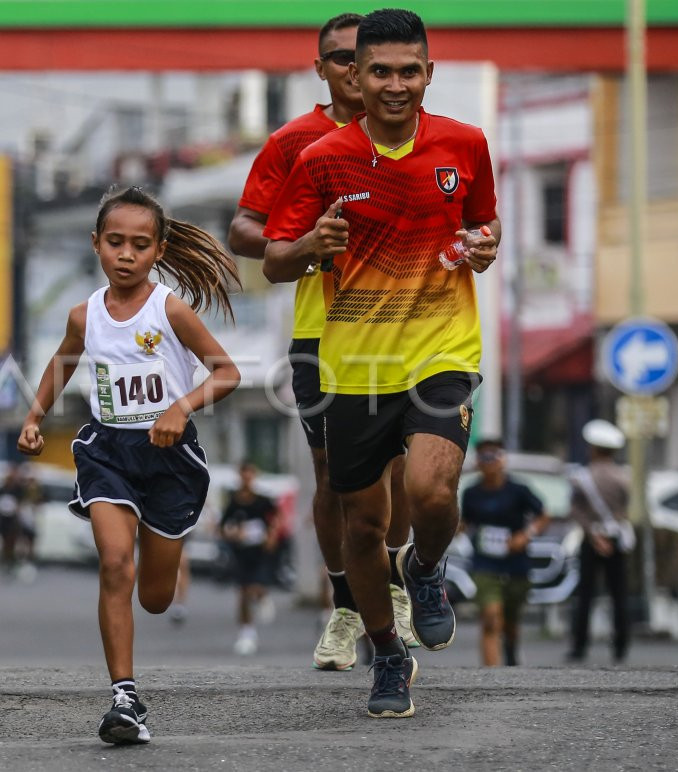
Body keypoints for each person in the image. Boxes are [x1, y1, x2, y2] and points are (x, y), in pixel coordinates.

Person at [264, 8, 501, 718]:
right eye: (380, 72)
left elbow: (482, 223)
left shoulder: (465, 143)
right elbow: (274, 260)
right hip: (355, 368)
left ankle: (424, 567)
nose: (395, 85)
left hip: (441, 348)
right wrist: (312, 246)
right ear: (356, 78)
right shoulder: (320, 158)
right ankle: (389, 654)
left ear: (428, 73)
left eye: (409, 71)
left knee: (430, 491)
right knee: (363, 527)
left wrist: (484, 246)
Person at [17, 186, 241, 745]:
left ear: (159, 251)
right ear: (96, 243)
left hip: (169, 457)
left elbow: (227, 372)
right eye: (115, 242)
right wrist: (34, 415)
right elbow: (61, 363)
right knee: (116, 564)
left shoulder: (170, 309)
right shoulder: (84, 315)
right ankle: (124, 696)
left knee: (155, 598)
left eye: (140, 245)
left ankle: (160, 560)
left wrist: (179, 408)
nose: (126, 254)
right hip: (107, 451)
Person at [227, 11, 416, 672]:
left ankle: (397, 584)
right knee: (333, 475)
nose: (355, 71)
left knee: (403, 470)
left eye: (365, 60)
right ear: (323, 69)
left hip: (406, 326)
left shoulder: (419, 135)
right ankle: (345, 603)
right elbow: (243, 229)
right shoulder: (295, 143)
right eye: (341, 59)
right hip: (322, 330)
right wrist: (305, 244)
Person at [460, 439, 550, 667]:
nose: (488, 462)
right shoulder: (471, 493)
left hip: (516, 564)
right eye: (483, 457)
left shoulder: (518, 490)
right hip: (484, 564)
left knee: (510, 621)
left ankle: (510, 648)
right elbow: (464, 523)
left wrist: (525, 535)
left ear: (502, 459)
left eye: (493, 455)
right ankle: (492, 674)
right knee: (491, 618)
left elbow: (543, 516)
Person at [567, 419, 632, 664]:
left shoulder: (582, 477)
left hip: (590, 539)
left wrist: (594, 535)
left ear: (593, 448)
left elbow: (575, 509)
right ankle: (621, 646)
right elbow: (625, 507)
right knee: (619, 594)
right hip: (616, 539)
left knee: (585, 594)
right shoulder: (622, 477)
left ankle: (579, 646)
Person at [220, 461, 279, 656]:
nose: (246, 478)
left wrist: (272, 536)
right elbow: (223, 526)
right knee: (243, 591)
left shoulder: (262, 500)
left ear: (254, 475)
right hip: (241, 551)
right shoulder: (233, 501)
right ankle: (247, 632)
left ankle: (263, 596)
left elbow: (276, 517)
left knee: (256, 587)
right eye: (243, 474)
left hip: (260, 551)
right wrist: (233, 534)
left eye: (249, 474)